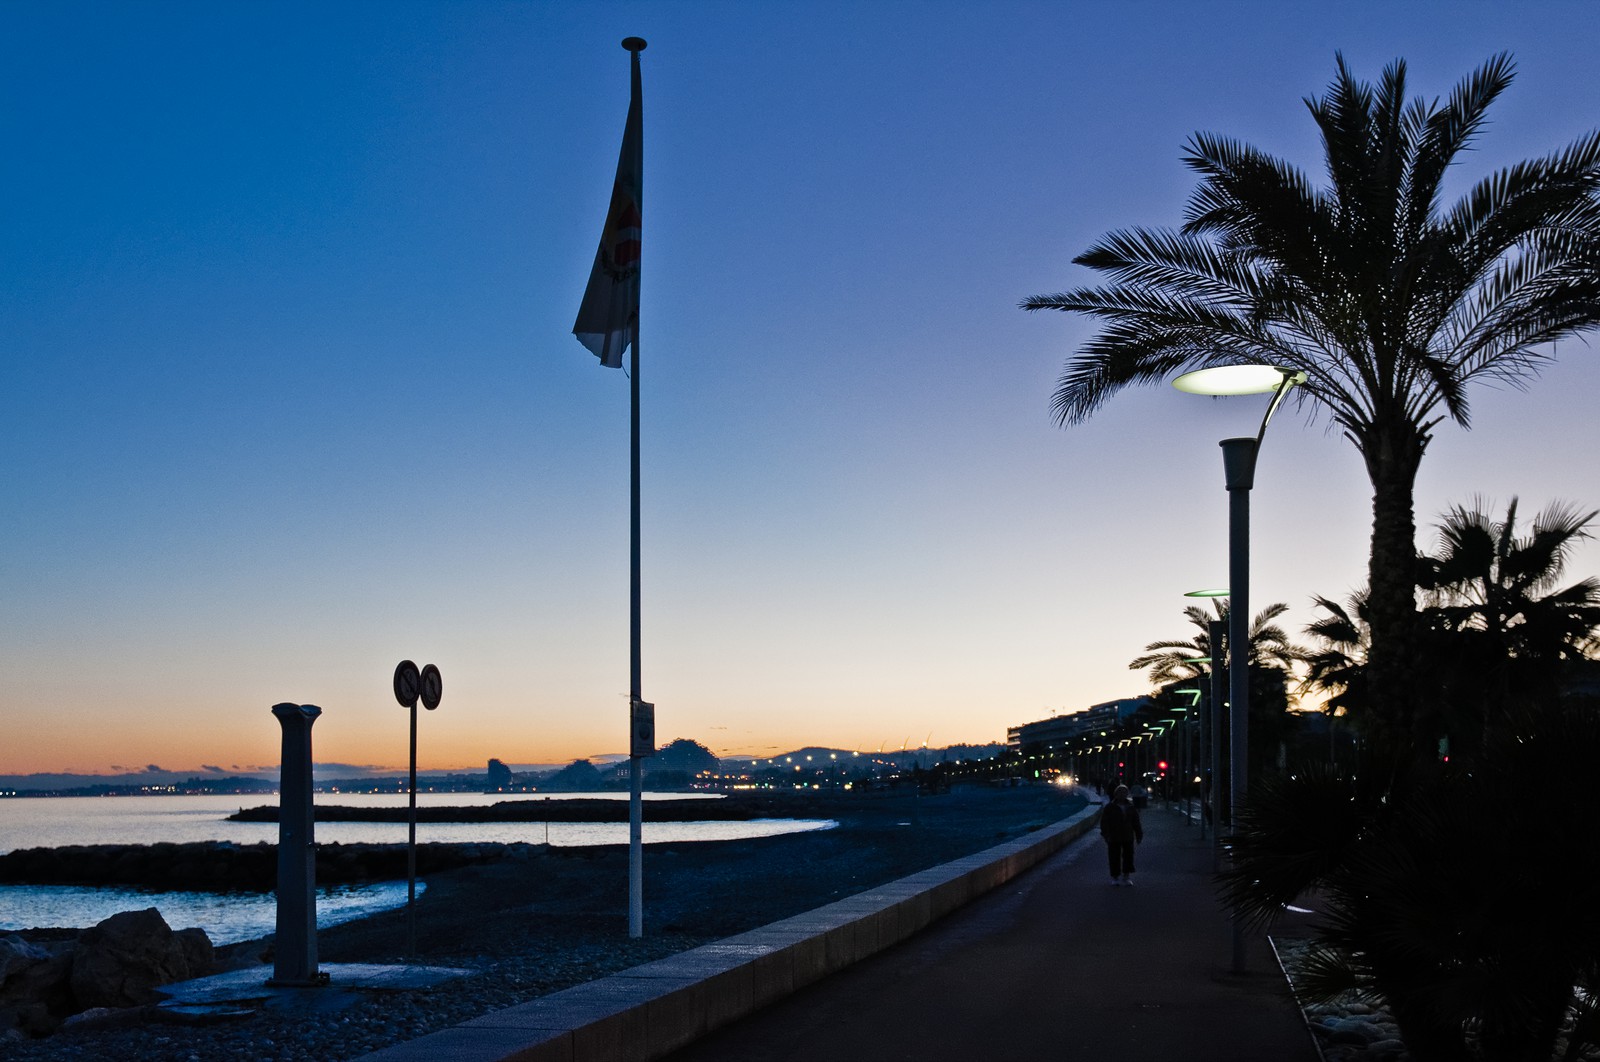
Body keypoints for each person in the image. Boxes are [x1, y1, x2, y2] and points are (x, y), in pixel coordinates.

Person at [1100, 784, 1143, 886]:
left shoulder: (1131, 807)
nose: (1122, 794)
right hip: (1113, 836)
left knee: (1128, 856)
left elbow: (1136, 822)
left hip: (1127, 836)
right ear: (1116, 794)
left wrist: (1139, 834)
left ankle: (1126, 876)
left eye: (1124, 792)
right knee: (1114, 857)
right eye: (1120, 792)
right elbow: (1104, 823)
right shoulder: (1110, 807)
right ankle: (1115, 877)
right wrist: (1106, 835)